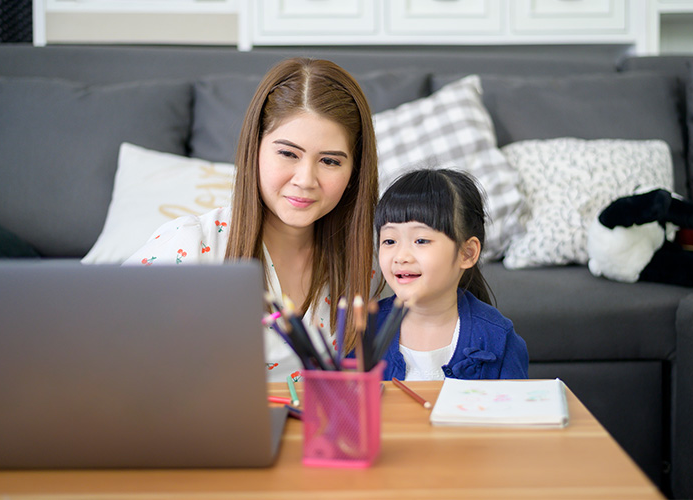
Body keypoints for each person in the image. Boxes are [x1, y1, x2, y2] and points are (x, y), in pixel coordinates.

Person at [124, 58, 379, 382]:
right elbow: (101, 345)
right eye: (288, 153)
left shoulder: (374, 261)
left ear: (354, 171)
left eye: (329, 161)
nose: (305, 179)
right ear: (254, 150)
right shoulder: (191, 246)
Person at [374, 168, 528, 381]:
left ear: (467, 253)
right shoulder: (364, 329)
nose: (401, 256)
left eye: (421, 240)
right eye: (389, 241)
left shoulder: (498, 336)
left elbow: (517, 411)